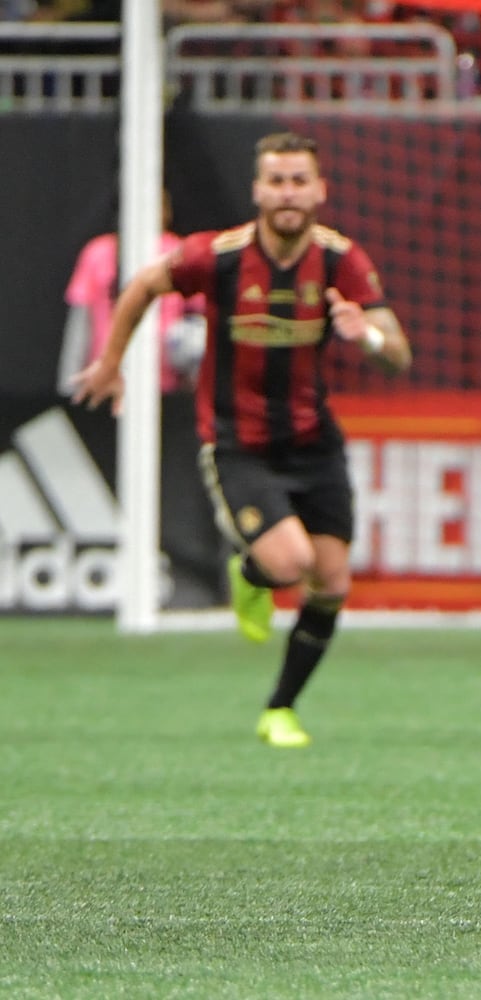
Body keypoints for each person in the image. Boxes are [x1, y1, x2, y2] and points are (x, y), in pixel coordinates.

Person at [70, 131, 413, 749]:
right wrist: (112, 360)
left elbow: (399, 356)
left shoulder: (341, 261)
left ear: (319, 190)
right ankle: (253, 573)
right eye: (276, 181)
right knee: (292, 563)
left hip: (314, 442)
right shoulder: (220, 256)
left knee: (332, 585)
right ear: (257, 190)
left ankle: (280, 708)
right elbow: (145, 284)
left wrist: (365, 337)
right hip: (238, 442)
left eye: (298, 180)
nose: (288, 193)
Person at [56, 190, 206, 397]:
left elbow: (202, 321)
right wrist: (69, 388)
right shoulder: (97, 252)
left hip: (165, 388)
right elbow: (80, 328)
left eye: (158, 205)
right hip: (104, 383)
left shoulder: (178, 252)